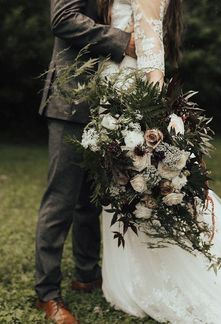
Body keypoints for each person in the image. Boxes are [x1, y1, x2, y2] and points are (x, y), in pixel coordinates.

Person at [100, 0, 221, 323]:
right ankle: (132, 275)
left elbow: (151, 48)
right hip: (115, 88)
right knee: (124, 187)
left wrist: (150, 111)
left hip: (128, 91)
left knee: (136, 185)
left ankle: (153, 279)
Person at [35, 0, 136, 323]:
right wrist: (122, 41)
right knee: (61, 200)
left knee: (90, 199)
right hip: (71, 97)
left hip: (107, 103)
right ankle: (47, 294)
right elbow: (63, 18)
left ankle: (87, 274)